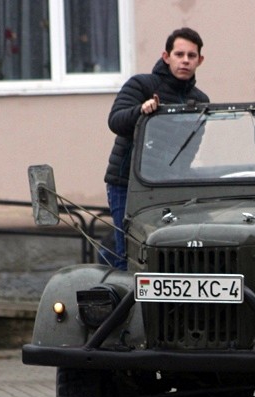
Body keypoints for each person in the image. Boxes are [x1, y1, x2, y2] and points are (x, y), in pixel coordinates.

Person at [102, 27, 209, 269]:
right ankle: (119, 286)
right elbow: (115, 121)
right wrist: (141, 110)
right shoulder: (141, 84)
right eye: (179, 54)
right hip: (128, 183)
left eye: (191, 56)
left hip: (169, 185)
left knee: (169, 251)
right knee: (128, 253)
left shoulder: (200, 100)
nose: (185, 60)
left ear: (200, 60)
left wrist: (182, 177)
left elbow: (191, 147)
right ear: (166, 57)